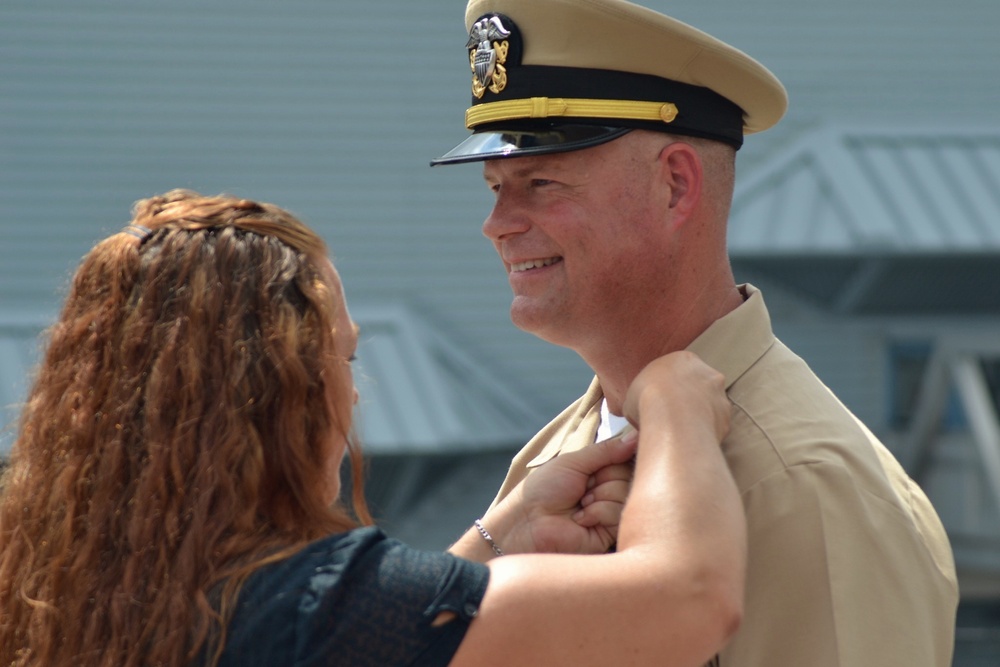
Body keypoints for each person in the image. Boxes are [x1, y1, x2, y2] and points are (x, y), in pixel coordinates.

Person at [0, 189, 745, 667]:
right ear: (278, 383)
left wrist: (500, 533)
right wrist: (675, 391)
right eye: (342, 356)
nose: (353, 394)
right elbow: (690, 599)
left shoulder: (50, 579)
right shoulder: (316, 604)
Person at [431, 1, 960, 665]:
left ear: (676, 185)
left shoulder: (804, 489)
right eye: (494, 186)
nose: (498, 223)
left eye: (539, 181)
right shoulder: (557, 456)